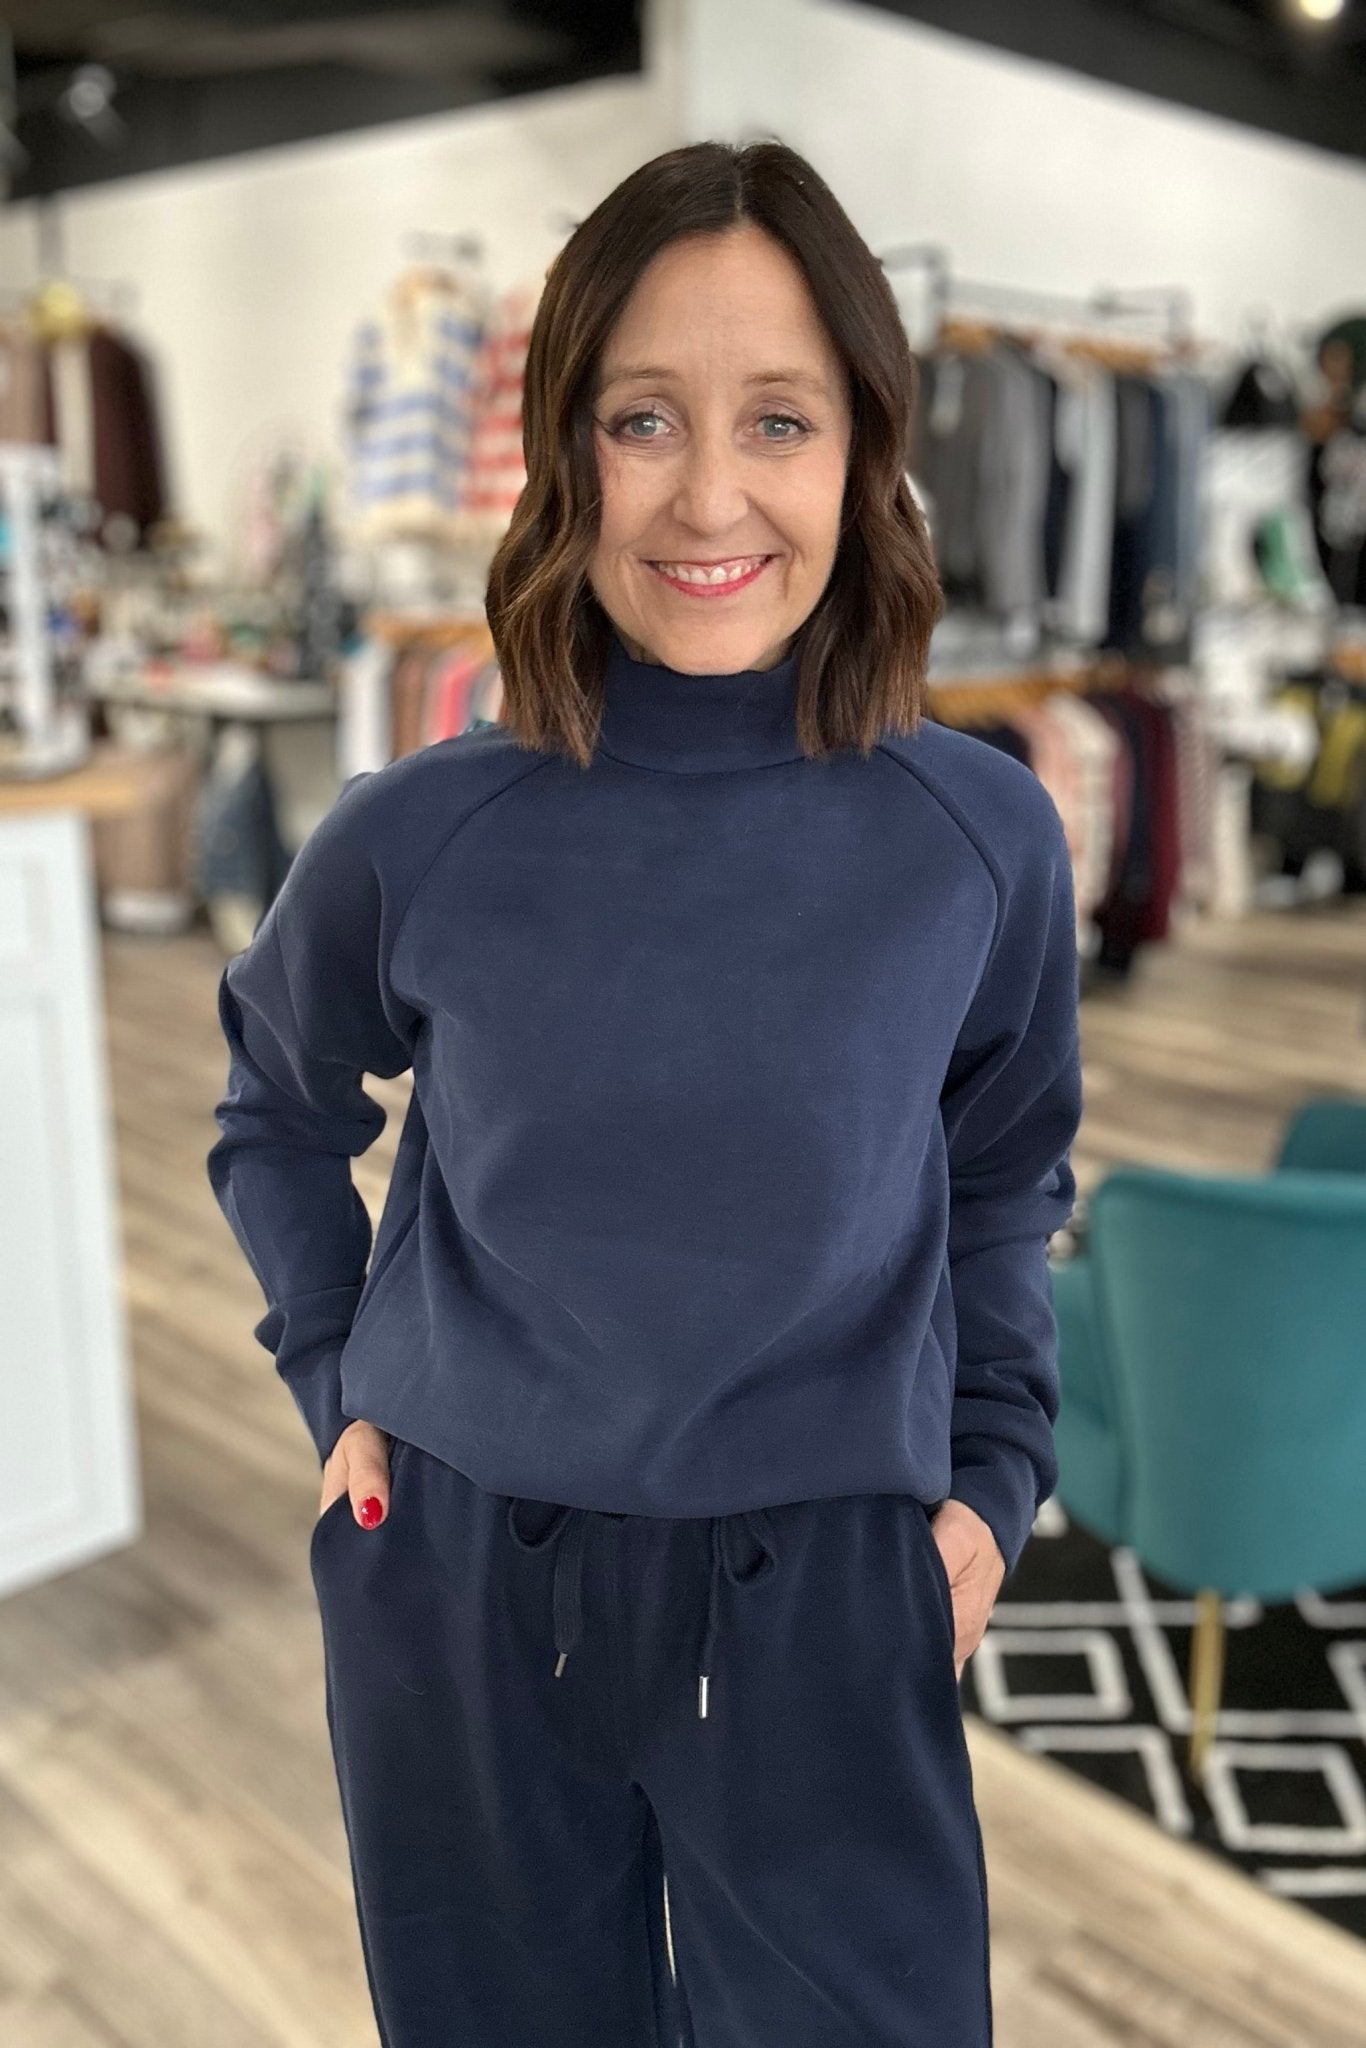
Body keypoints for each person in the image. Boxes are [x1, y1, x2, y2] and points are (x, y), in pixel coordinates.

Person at [207, 137, 1083, 2048]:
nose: (707, 496)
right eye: (640, 420)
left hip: (831, 1584)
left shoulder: (977, 835)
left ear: (861, 450)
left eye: (777, 419)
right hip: (459, 1578)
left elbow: (1003, 1171)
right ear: (561, 448)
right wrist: (336, 1373)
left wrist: (992, 1478)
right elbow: (274, 1105)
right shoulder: (422, 830)